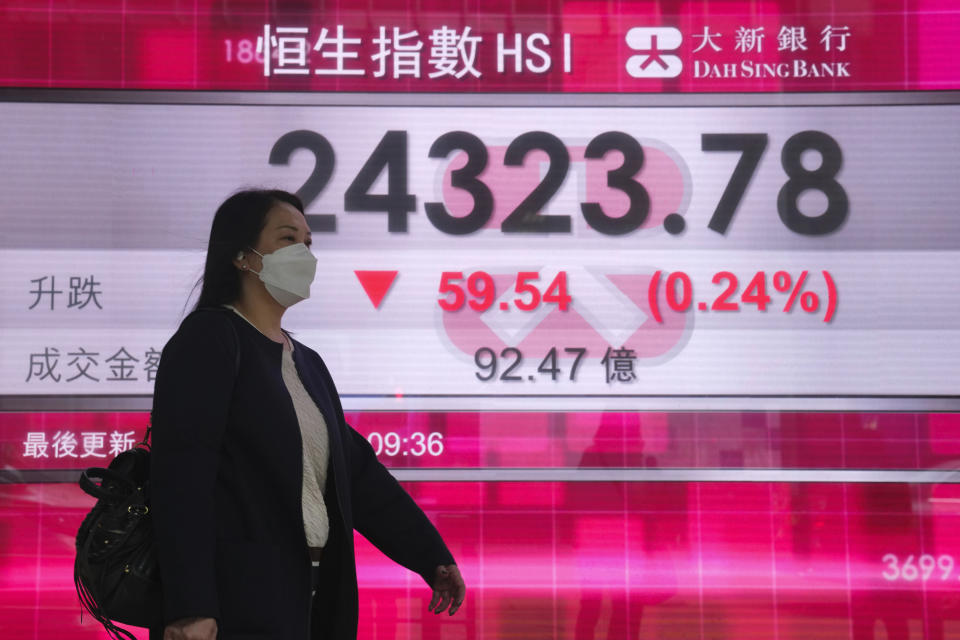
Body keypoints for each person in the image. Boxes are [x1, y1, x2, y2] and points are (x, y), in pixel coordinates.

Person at [147, 189, 465, 640]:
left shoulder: (307, 362)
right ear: (242, 256)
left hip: (312, 596)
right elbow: (182, 481)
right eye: (288, 238)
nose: (305, 254)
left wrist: (430, 555)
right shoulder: (210, 340)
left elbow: (357, 476)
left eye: (309, 242)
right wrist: (190, 605)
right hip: (232, 604)